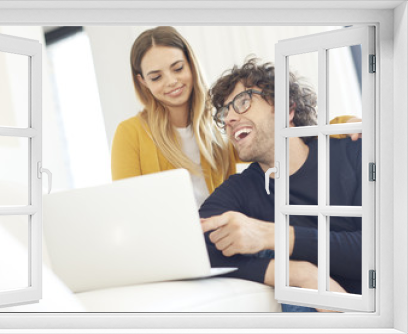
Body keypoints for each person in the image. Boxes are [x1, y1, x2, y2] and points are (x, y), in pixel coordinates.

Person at [111, 26, 358, 209]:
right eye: (156, 77)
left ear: (191, 64)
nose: (171, 82)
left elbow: (271, 136)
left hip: (222, 242)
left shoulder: (222, 124)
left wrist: (341, 125)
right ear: (142, 82)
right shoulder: (130, 133)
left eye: (177, 68)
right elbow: (127, 209)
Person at [200, 57, 362, 312]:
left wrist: (273, 236)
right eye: (224, 111)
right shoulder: (241, 189)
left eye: (242, 102)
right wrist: (299, 274)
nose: (229, 117)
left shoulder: (353, 151)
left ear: (287, 108)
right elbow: (197, 245)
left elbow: (381, 250)